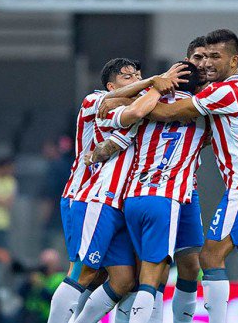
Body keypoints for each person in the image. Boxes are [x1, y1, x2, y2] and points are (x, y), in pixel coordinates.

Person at [148, 29, 238, 323]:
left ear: (234, 59)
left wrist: (140, 103)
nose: (208, 63)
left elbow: (174, 112)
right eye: (204, 57)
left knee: (210, 257)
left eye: (216, 56)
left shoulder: (225, 90)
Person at [47, 58, 187, 323]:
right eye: (127, 77)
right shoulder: (95, 102)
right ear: (111, 85)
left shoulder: (139, 113)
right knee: (83, 272)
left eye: (138, 74)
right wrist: (156, 84)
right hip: (92, 197)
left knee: (123, 279)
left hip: (119, 204)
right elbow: (133, 112)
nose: (135, 80)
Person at [19, 249, 66, 323]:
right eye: (44, 263)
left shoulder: (61, 278)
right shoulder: (38, 275)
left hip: (48, 317)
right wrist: (28, 282)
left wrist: (41, 286)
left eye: (49, 263)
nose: (45, 266)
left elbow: (54, 299)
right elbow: (21, 293)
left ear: (56, 263)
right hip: (30, 316)